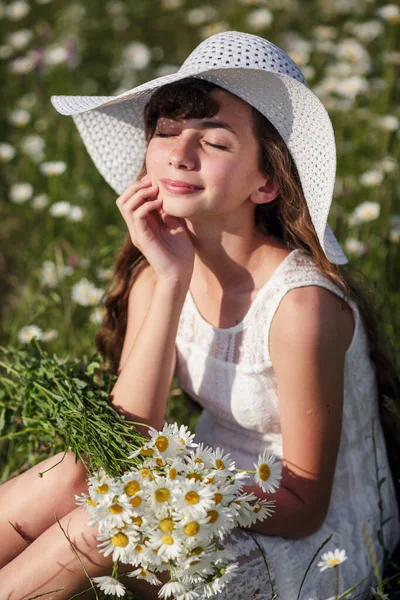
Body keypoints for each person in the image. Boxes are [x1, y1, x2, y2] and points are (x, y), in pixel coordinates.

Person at [0, 31, 399, 600]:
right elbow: (131, 438)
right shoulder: (159, 270)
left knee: (99, 528)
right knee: (72, 471)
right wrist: (168, 280)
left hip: (314, 542)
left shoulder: (301, 306)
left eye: (214, 142)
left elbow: (304, 507)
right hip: (196, 491)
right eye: (166, 133)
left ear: (267, 181)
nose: (180, 154)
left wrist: (164, 498)